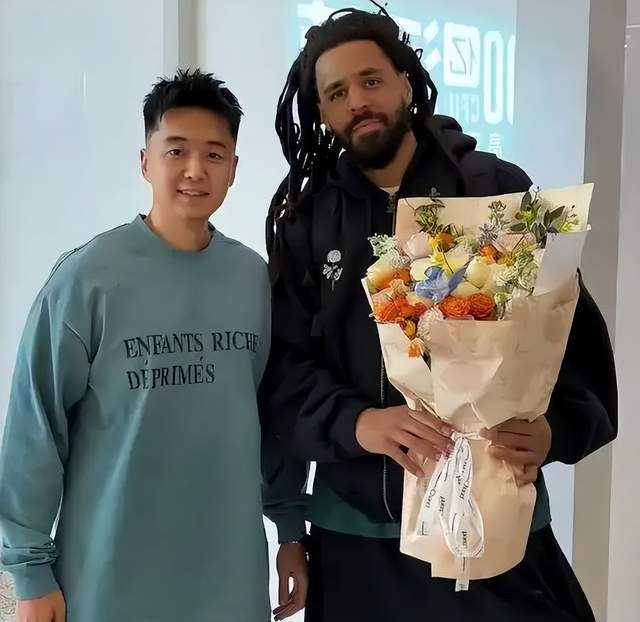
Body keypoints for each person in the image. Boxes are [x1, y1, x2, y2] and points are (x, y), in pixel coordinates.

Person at [261, 8, 617, 622]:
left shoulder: (495, 190)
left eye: (372, 80)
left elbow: (569, 337)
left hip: (492, 526)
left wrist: (556, 430)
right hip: (358, 537)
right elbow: (283, 372)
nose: (358, 101)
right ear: (321, 112)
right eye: (337, 93)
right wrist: (358, 423)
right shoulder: (308, 218)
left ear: (406, 80)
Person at [0, 69, 307, 622]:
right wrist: (29, 571)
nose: (195, 170)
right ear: (145, 162)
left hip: (228, 578)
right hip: (110, 577)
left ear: (234, 169)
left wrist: (289, 529)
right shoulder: (86, 279)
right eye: (176, 151)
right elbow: (35, 427)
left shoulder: (253, 279)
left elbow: (273, 419)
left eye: (214, 155)